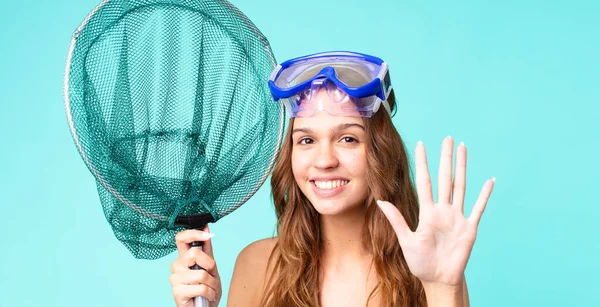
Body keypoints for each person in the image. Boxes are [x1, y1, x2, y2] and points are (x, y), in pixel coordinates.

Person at [169, 51, 495, 307]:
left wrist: (441, 287)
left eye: (348, 139)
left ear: (380, 152)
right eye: (307, 140)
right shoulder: (258, 265)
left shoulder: (427, 267)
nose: (324, 161)